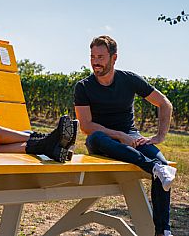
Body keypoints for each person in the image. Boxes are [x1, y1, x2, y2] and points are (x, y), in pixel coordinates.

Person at [74, 35, 176, 236]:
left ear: (114, 58)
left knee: (163, 165)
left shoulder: (129, 79)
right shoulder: (83, 87)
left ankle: (163, 230)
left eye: (101, 56)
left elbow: (164, 103)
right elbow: (86, 126)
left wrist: (159, 136)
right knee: (95, 137)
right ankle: (151, 167)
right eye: (92, 56)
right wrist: (120, 136)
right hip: (103, 141)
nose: (95, 61)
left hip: (131, 139)